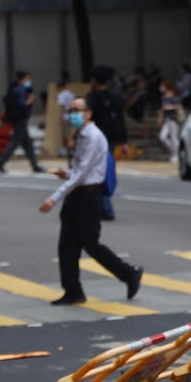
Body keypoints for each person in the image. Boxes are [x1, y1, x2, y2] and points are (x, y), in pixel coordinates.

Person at [39, 98, 143, 306]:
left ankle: (129, 273)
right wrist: (67, 174)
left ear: (88, 113)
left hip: (89, 197)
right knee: (67, 246)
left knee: (91, 244)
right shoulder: (80, 135)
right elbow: (80, 171)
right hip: (77, 195)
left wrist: (54, 198)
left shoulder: (94, 137)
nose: (72, 114)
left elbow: (83, 173)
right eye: (70, 111)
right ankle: (73, 290)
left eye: (77, 110)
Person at [86, 65, 126, 220]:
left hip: (95, 138)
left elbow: (86, 120)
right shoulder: (116, 97)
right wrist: (123, 141)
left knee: (96, 172)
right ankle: (103, 206)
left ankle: (105, 207)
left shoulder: (91, 98)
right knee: (105, 170)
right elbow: (121, 119)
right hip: (111, 137)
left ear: (94, 79)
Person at [0, 70, 43, 173]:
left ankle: (35, 165)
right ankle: (1, 162)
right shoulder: (20, 90)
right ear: (22, 80)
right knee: (15, 142)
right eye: (27, 79)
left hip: (18, 120)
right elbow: (22, 105)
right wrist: (30, 100)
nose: (29, 81)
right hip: (20, 120)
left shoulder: (15, 89)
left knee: (27, 144)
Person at [157, 79, 182, 157]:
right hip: (166, 120)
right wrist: (160, 120)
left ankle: (177, 155)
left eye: (162, 86)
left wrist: (170, 107)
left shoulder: (174, 97)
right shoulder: (163, 98)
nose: (161, 88)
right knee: (162, 137)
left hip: (173, 120)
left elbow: (179, 106)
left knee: (174, 138)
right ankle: (174, 152)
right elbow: (162, 110)